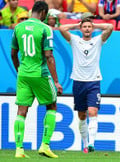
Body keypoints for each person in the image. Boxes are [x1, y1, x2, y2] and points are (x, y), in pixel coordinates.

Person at [11, 1, 63, 158]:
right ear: (43, 13)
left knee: (21, 110)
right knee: (52, 105)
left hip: (23, 74)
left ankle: (19, 150)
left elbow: (13, 53)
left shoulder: (18, 27)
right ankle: (44, 145)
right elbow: (49, 56)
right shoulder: (45, 28)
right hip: (40, 73)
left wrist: (19, 69)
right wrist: (56, 81)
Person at [59, 18, 113, 153]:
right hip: (78, 82)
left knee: (93, 112)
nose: (87, 29)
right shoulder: (75, 40)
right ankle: (85, 144)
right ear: (81, 29)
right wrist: (76, 25)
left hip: (94, 81)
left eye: (89, 26)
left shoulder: (98, 40)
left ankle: (91, 144)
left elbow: (110, 27)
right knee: (82, 115)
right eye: (85, 27)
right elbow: (61, 29)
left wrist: (95, 25)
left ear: (92, 28)